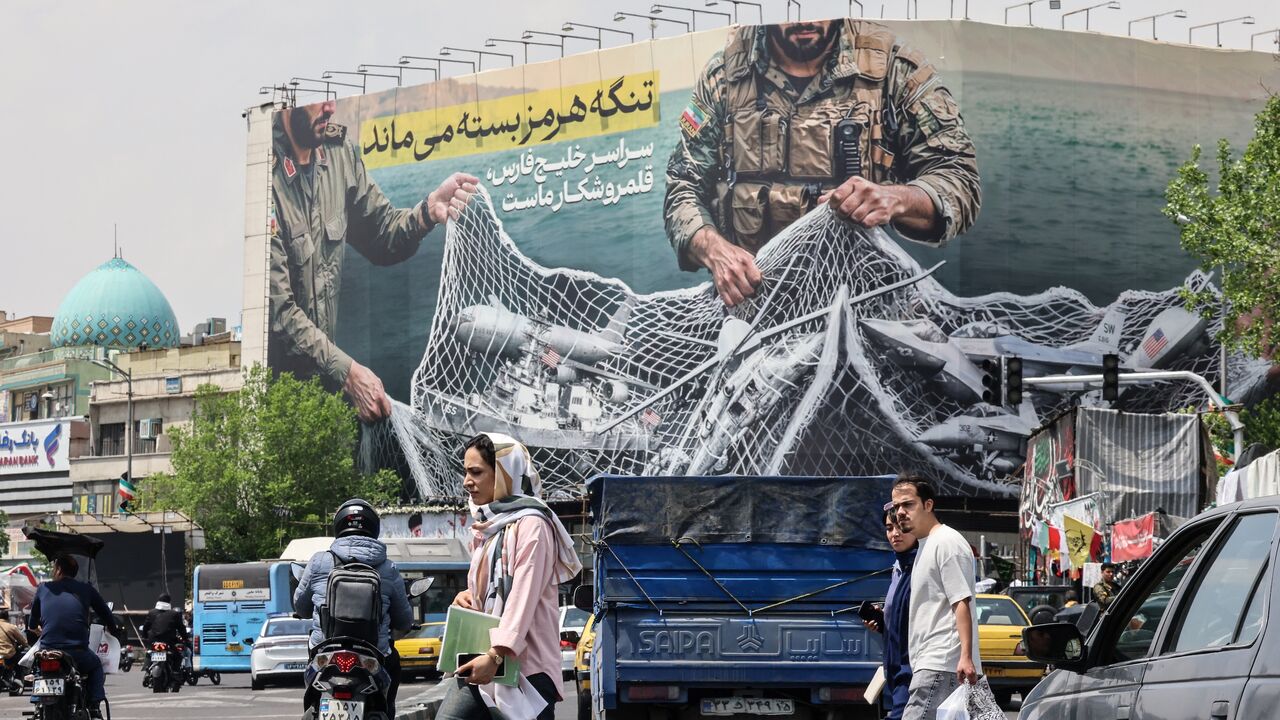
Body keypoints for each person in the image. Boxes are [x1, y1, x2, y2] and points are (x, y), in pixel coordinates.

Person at [664, 19, 981, 306]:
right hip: (754, 306)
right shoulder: (724, 77)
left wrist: (897, 198)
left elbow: (958, 177)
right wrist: (713, 249)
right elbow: (682, 186)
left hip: (863, 302)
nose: (805, 18)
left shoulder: (895, 70)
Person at [268, 97, 479, 421]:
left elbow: (382, 235)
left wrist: (427, 211)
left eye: (331, 100)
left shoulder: (339, 154)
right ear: (291, 103)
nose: (329, 109)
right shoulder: (264, 177)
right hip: (279, 410)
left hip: (329, 399)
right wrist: (350, 374)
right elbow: (280, 313)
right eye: (318, 101)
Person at [438, 433, 583, 720]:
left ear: (505, 473)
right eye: (466, 472)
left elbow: (522, 598)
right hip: (481, 659)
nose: (467, 481)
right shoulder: (489, 526)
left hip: (526, 668)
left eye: (476, 472)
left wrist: (496, 655)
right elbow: (487, 592)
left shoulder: (533, 524)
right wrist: (467, 597)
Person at [294, 499, 414, 715]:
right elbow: (404, 621)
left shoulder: (319, 561)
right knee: (393, 666)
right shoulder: (388, 568)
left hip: (325, 651)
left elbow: (300, 606)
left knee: (311, 675)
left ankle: (312, 706)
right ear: (374, 528)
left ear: (339, 526)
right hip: (373, 654)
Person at [890, 474, 982, 720]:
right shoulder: (924, 545)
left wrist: (965, 656)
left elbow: (961, 601)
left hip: (942, 662)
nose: (900, 512)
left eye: (908, 504)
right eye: (896, 506)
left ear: (928, 505)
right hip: (931, 663)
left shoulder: (946, 542)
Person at [28, 555, 118, 719]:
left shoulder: (43, 588)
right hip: (77, 651)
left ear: (59, 570)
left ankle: (36, 701)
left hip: (48, 650)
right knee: (96, 666)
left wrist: (35, 629)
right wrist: (113, 629)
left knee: (38, 667)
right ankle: (95, 707)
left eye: (54, 568)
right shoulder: (86, 589)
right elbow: (105, 613)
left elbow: (32, 623)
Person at [863, 507, 917, 720]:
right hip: (894, 669)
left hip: (912, 670)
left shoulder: (921, 567)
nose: (895, 533)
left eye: (901, 527)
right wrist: (884, 622)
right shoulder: (898, 568)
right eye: (889, 528)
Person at [0, 609, 27, 690]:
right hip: (8, 654)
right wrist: (25, 644)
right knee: (20, 662)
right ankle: (17, 679)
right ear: (7, 617)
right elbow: (23, 641)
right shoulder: (11, 627)